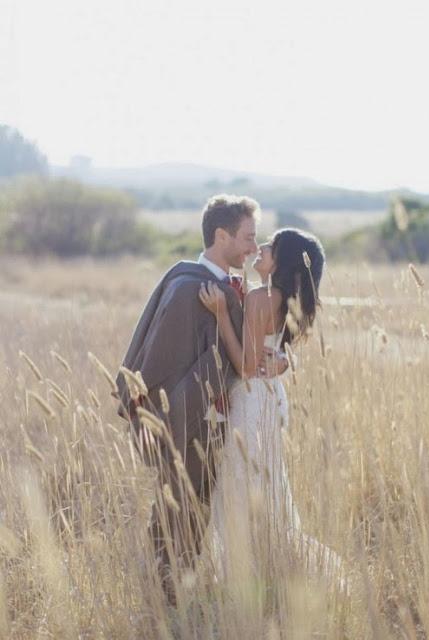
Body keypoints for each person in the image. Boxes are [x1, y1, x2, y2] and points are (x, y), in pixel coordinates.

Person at [115, 194, 287, 601]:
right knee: (178, 501)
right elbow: (158, 358)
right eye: (247, 238)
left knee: (201, 504)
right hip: (189, 414)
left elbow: (243, 350)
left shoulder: (233, 286)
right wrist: (168, 412)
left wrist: (275, 357)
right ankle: (164, 593)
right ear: (221, 235)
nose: (252, 247)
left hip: (224, 417)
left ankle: (181, 588)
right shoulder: (187, 285)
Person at [199, 228, 340, 583]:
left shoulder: (262, 298)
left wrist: (218, 314)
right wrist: (283, 358)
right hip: (270, 397)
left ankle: (245, 574)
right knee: (264, 484)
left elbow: (245, 366)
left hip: (251, 400)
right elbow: (273, 352)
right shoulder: (281, 300)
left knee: (239, 484)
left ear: (283, 261)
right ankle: (269, 569)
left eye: (271, 247)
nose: (261, 248)